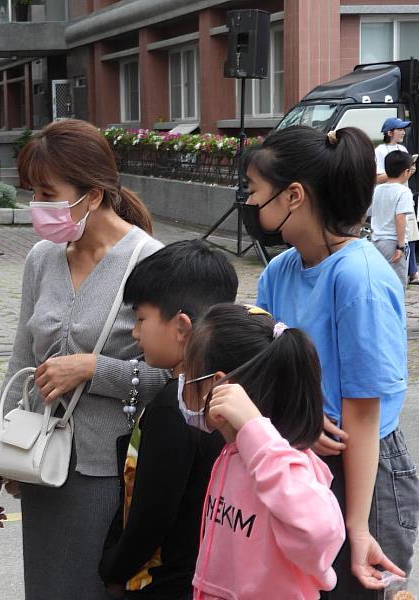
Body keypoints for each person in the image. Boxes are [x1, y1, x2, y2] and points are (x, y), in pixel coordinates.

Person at [0, 119, 168, 599]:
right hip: (38, 464)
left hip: (108, 470)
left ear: (94, 195)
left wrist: (92, 369)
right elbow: (20, 361)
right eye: (33, 193)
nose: (37, 206)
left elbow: (173, 377)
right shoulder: (42, 258)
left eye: (47, 193)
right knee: (46, 586)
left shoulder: (150, 261)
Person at [246, 125, 418, 598]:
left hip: (363, 472)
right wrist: (294, 413)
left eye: (255, 192)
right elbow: (264, 365)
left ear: (294, 195)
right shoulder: (280, 270)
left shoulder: (359, 277)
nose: (249, 203)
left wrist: (358, 529)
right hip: (303, 460)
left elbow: (362, 414)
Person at [99, 240, 238, 599]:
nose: (134, 332)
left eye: (141, 319)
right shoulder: (228, 394)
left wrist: (113, 569)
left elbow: (151, 515)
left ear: (181, 327)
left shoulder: (173, 406)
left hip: (162, 583)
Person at [182, 304, 345, 600]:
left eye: (187, 375)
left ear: (216, 385)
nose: (181, 387)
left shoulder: (286, 466)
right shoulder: (234, 456)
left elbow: (322, 532)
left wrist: (254, 430)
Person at [371, 150, 415, 287]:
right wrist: (400, 246)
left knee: (379, 281)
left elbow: (367, 213)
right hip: (393, 242)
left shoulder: (377, 190)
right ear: (406, 172)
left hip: (376, 241)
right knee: (397, 283)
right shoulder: (404, 191)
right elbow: (400, 217)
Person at [375, 117, 409, 185]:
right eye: (400, 130)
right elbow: (377, 179)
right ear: (390, 133)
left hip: (403, 191)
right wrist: (398, 171)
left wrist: (410, 171)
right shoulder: (379, 150)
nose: (403, 133)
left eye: (403, 130)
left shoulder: (403, 149)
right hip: (387, 193)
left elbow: (404, 179)